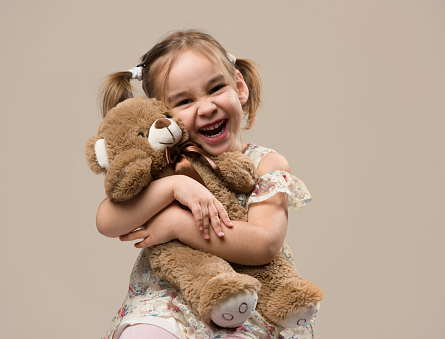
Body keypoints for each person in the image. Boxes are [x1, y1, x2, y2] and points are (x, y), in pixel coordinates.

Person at [96, 30, 315, 339]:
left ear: (239, 87)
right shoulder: (165, 164)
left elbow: (265, 243)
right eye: (185, 101)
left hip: (243, 311)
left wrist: (174, 223)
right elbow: (107, 221)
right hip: (168, 306)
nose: (206, 107)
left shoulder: (266, 163)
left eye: (215, 88)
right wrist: (173, 187)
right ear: (163, 116)